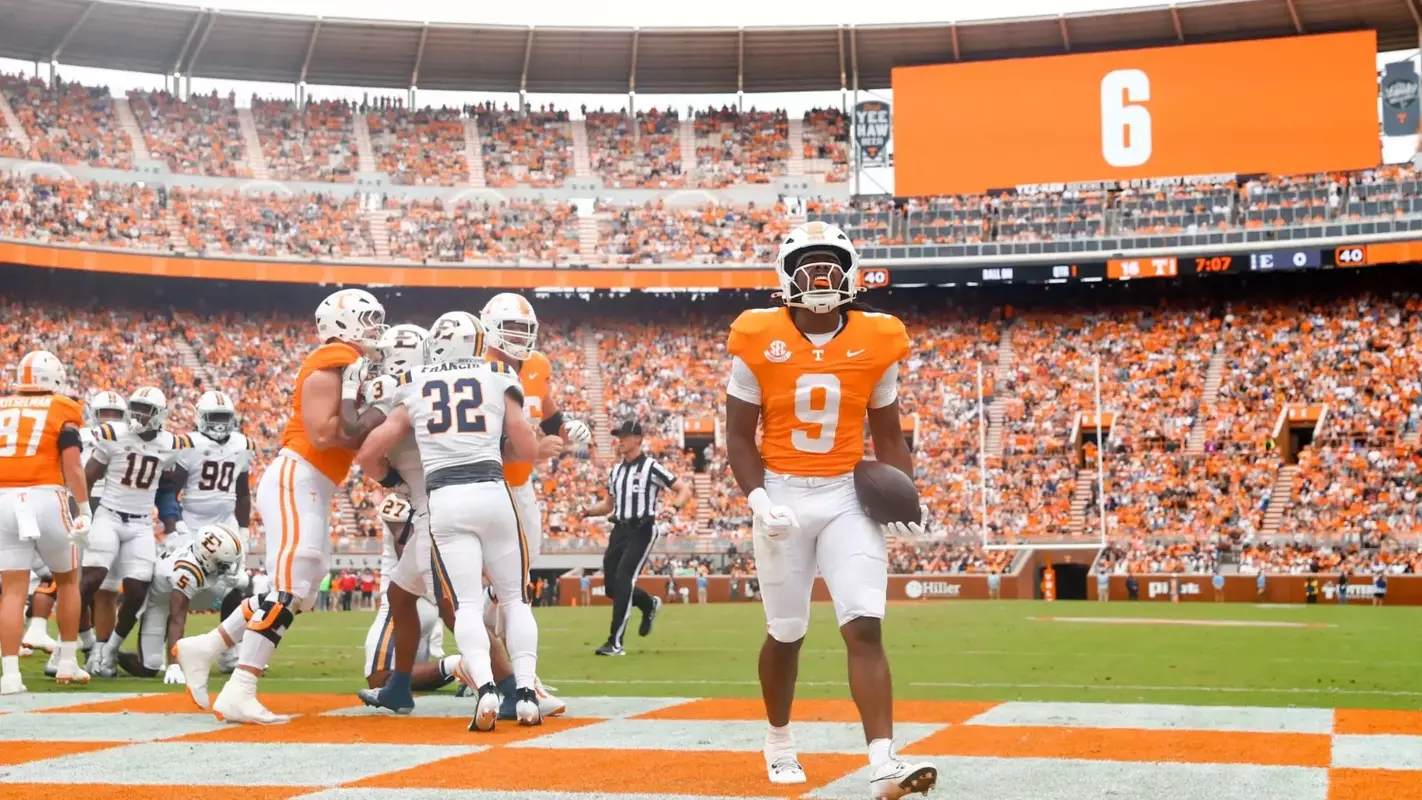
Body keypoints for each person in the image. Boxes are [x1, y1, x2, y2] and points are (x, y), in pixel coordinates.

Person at [723, 221, 936, 798]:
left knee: (864, 624)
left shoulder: (879, 337)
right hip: (782, 492)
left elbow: (889, 438)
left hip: (846, 493)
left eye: (832, 264)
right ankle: (779, 739)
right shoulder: (755, 335)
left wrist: (907, 493)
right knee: (787, 631)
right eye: (809, 265)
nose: (822, 276)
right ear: (786, 276)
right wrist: (759, 498)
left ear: (851, 271)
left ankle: (883, 761)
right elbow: (739, 437)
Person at [175, 288, 386, 725]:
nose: (374, 328)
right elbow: (324, 434)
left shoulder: (354, 364)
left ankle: (208, 646)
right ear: (341, 324)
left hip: (314, 482)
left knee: (302, 589)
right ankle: (241, 687)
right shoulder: (332, 360)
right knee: (290, 585)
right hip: (298, 476)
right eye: (365, 319)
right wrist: (379, 414)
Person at [354, 310, 540, 731]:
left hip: (438, 512)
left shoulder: (407, 389)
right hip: (481, 494)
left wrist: (391, 479)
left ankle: (508, 687)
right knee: (403, 597)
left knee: (458, 608)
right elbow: (519, 444)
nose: (382, 365)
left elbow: (365, 449)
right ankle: (401, 686)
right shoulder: (491, 375)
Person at [0, 351, 94, 693]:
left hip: (3, 499)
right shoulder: (63, 407)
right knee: (68, 580)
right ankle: (68, 661)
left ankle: (10, 675)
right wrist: (84, 510)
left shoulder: (3, 406)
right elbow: (71, 464)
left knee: (11, 591)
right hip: (45, 495)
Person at [86, 387, 193, 679]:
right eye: (135, 407)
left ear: (159, 415)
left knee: (137, 591)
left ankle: (110, 650)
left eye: (145, 409)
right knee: (92, 579)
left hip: (141, 524)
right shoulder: (113, 435)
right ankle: (77, 645)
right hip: (107, 516)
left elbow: (169, 486)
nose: (138, 415)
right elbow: (87, 477)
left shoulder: (172, 443)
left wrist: (173, 524)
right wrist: (80, 514)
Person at [578, 420, 691, 656]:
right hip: (619, 529)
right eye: (619, 436)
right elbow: (609, 505)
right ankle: (648, 603)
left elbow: (683, 489)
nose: (620, 440)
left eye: (625, 436)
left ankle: (614, 642)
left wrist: (674, 508)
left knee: (623, 579)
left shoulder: (651, 466)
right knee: (611, 586)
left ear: (638, 439)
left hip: (642, 528)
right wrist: (588, 511)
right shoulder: (616, 471)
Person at [113, 524, 243, 680]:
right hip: (158, 601)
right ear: (208, 559)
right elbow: (177, 618)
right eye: (222, 564)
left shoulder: (200, 555)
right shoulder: (188, 571)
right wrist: (174, 664)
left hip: (175, 587)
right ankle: (113, 654)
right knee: (149, 668)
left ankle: (230, 653)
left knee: (233, 591)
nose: (226, 568)